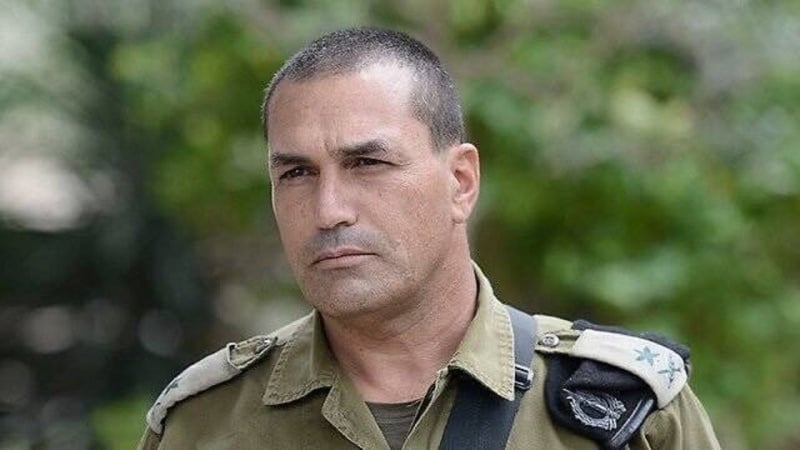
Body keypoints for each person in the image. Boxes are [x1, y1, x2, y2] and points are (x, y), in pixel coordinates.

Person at [137, 27, 721, 449]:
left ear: (460, 182)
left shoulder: (623, 414)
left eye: (367, 163)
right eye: (296, 173)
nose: (328, 210)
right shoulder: (203, 425)